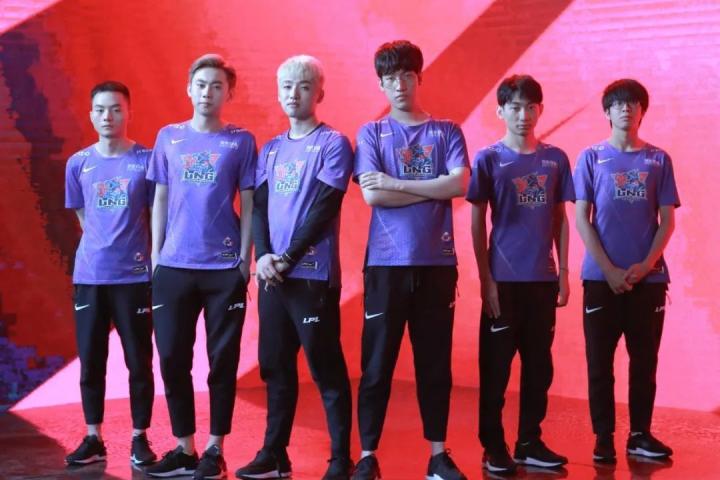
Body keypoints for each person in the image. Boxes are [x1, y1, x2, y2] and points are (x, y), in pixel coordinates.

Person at [351, 40, 469, 480]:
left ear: (420, 78)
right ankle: (367, 455)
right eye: (389, 78)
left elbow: (458, 185)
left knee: (434, 364)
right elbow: (372, 195)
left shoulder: (446, 132)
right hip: (385, 265)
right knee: (376, 365)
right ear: (380, 84)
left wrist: (396, 183)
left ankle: (438, 456)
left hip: (437, 263)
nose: (399, 85)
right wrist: (430, 187)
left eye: (406, 76)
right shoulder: (371, 133)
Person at [234, 54, 354, 480]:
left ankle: (340, 459)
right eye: (286, 86)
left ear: (319, 93)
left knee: (325, 368)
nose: (293, 93)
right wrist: (264, 256)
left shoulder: (333, 144)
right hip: (273, 277)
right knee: (275, 366)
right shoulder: (270, 149)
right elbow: (260, 207)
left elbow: (324, 207)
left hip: (312, 276)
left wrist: (287, 257)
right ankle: (274, 454)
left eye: (303, 86)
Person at [145, 54, 256, 480]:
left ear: (229, 93)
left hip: (223, 270)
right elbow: (159, 197)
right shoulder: (168, 137)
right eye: (201, 84)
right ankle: (184, 448)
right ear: (189, 89)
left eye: (217, 85)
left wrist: (243, 261)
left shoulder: (241, 141)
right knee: (172, 358)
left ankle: (214, 449)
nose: (208, 92)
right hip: (173, 267)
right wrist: (157, 257)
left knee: (221, 361)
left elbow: (249, 204)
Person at [467, 75, 574, 475]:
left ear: (540, 110)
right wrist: (486, 280)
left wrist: (564, 272)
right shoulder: (488, 159)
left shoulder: (556, 159)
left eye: (530, 107)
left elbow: (561, 218)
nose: (523, 115)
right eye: (514, 107)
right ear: (500, 111)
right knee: (495, 369)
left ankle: (529, 442)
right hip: (503, 281)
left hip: (542, 281)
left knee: (539, 369)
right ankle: (492, 446)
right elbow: (477, 222)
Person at [574, 79, 679, 464]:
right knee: (599, 363)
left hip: (648, 281)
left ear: (642, 111)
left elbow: (667, 221)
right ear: (607, 111)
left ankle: (639, 435)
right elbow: (582, 218)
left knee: (644, 362)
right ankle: (603, 437)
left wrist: (646, 265)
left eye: (633, 103)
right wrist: (609, 270)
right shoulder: (590, 158)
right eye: (618, 104)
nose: (626, 109)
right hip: (601, 280)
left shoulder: (658, 160)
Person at [64, 81, 156, 467]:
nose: (108, 116)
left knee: (139, 362)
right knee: (91, 362)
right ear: (91, 115)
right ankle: (94, 437)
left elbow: (157, 214)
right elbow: (83, 216)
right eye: (100, 110)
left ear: (128, 112)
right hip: (90, 277)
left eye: (116, 109)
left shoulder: (146, 161)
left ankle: (139, 438)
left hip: (134, 278)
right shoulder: (78, 163)